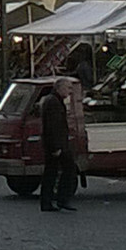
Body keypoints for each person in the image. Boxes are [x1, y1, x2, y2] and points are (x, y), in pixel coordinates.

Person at [40, 77, 77, 212]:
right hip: (57, 145)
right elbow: (52, 126)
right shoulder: (54, 102)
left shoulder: (52, 100)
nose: (70, 91)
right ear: (59, 88)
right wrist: (56, 147)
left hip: (55, 144)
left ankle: (48, 202)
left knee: (51, 172)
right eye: (68, 88)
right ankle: (61, 199)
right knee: (68, 169)